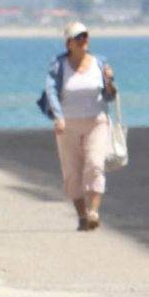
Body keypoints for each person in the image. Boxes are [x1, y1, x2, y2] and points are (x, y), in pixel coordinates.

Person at [44, 20, 117, 231]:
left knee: (95, 164)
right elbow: (51, 92)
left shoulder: (99, 62)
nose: (84, 40)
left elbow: (110, 96)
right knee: (72, 172)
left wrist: (110, 81)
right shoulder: (58, 65)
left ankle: (94, 211)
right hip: (68, 123)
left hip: (97, 120)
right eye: (79, 37)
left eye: (86, 36)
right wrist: (58, 117)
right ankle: (82, 215)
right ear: (69, 43)